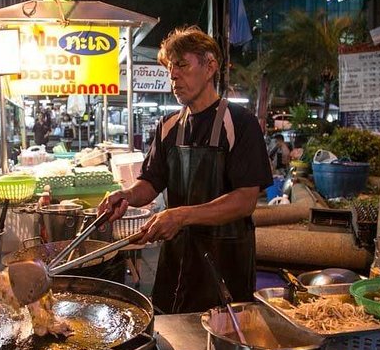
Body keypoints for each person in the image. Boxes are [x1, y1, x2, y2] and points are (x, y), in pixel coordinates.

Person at [98, 26, 272, 314]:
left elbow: (245, 201)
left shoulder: (240, 123)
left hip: (225, 263)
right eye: (169, 68)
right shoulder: (167, 126)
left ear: (210, 66)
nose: (173, 75)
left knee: (223, 340)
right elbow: (151, 183)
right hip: (176, 259)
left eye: (181, 64)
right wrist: (126, 196)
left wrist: (181, 215)